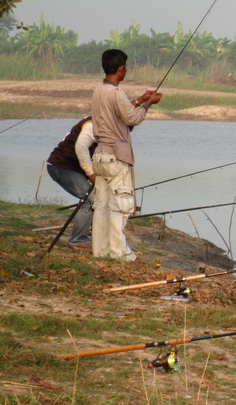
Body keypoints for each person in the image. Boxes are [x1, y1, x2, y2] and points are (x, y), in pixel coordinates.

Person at [91, 48, 162, 261]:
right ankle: (120, 253)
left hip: (100, 155)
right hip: (116, 157)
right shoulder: (116, 93)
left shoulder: (99, 90)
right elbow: (132, 119)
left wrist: (140, 99)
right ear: (121, 69)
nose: (126, 71)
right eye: (126, 68)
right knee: (120, 206)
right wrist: (149, 104)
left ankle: (101, 251)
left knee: (102, 206)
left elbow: (121, 112)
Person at [46, 116, 96, 250]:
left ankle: (88, 234)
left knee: (97, 198)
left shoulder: (102, 121)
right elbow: (81, 147)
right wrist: (90, 173)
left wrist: (144, 101)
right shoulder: (92, 125)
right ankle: (77, 240)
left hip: (73, 168)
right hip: (61, 167)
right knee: (89, 199)